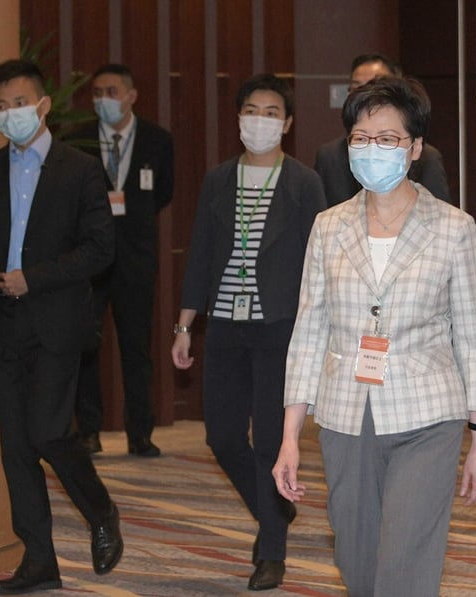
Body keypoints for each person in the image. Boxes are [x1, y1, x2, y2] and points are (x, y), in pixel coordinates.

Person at [273, 75, 476, 597]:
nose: (373, 149)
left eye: (388, 138)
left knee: (403, 562)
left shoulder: (454, 229)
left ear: (415, 148)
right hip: (345, 414)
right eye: (361, 138)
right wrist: (289, 437)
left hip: (427, 414)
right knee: (357, 560)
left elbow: (473, 339)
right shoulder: (329, 227)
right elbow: (309, 332)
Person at [0, 59, 123, 595]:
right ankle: (39, 560)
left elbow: (101, 248)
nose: (10, 114)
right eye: (1, 107)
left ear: (43, 106)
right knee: (16, 446)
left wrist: (35, 278)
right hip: (1, 324)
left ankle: (100, 510)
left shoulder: (80, 170)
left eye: (19, 103)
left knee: (48, 431)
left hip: (56, 321)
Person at [170, 73, 326, 591]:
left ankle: (272, 554)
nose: (260, 120)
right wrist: (185, 325)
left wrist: (317, 328)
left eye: (271, 112)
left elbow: (317, 261)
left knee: (269, 443)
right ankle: (272, 510)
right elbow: (200, 254)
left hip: (279, 325)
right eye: (252, 111)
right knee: (221, 436)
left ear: (287, 122)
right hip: (225, 325)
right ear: (238, 118)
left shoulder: (303, 182)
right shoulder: (219, 179)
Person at [73, 63, 175, 457]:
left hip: (135, 258)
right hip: (90, 259)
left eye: (111, 92)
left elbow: (162, 192)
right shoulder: (78, 139)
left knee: (137, 348)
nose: (103, 100)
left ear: (131, 96)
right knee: (86, 345)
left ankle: (140, 433)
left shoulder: (157, 140)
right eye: (97, 93)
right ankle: (88, 430)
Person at [314, 53, 453, 207]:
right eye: (358, 87)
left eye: (377, 84)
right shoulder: (330, 155)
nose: (368, 93)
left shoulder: (427, 157)